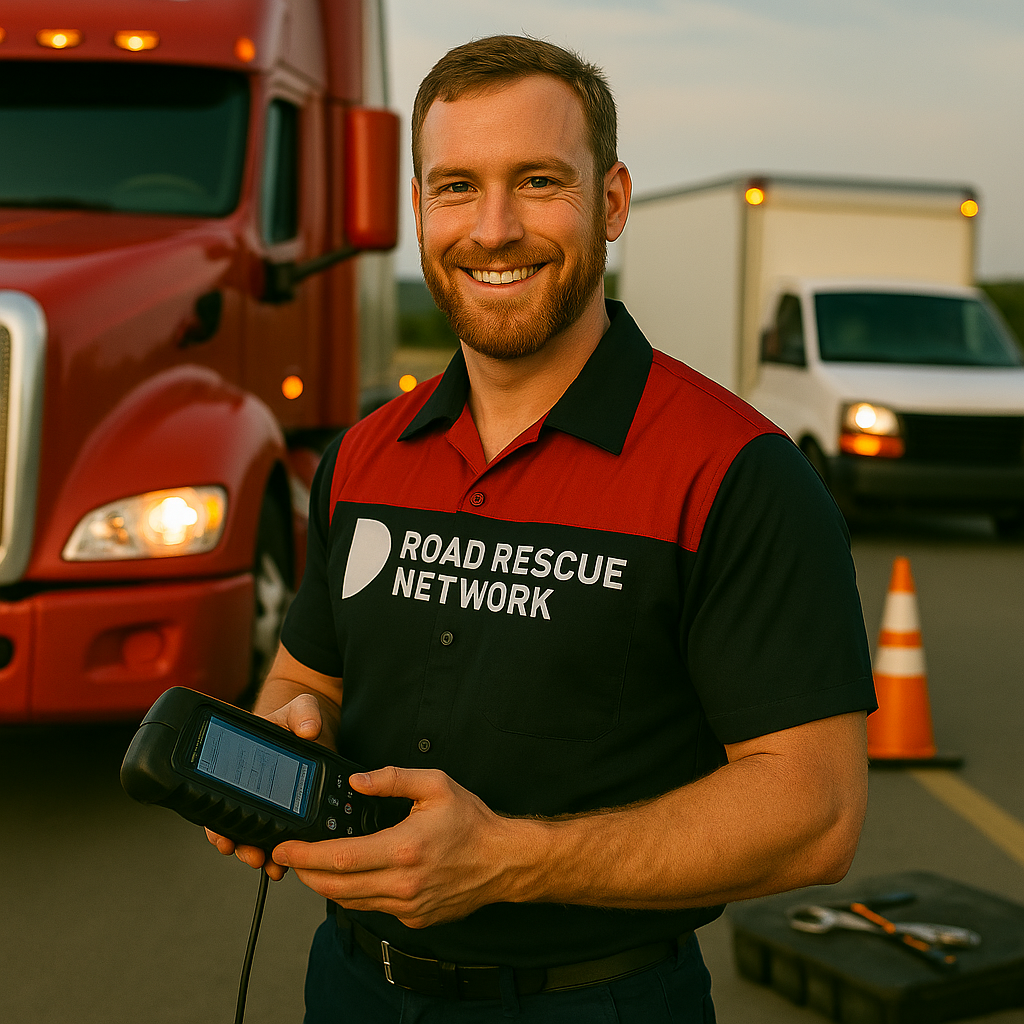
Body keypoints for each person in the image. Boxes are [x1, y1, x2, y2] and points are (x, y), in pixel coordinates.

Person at [209, 35, 876, 1022]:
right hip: (352, 986)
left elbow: (812, 813)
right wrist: (288, 731)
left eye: (536, 181)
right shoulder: (364, 455)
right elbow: (305, 676)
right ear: (418, 209)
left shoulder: (736, 472)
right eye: (455, 187)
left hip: (594, 1001)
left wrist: (508, 862)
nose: (493, 228)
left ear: (610, 201)